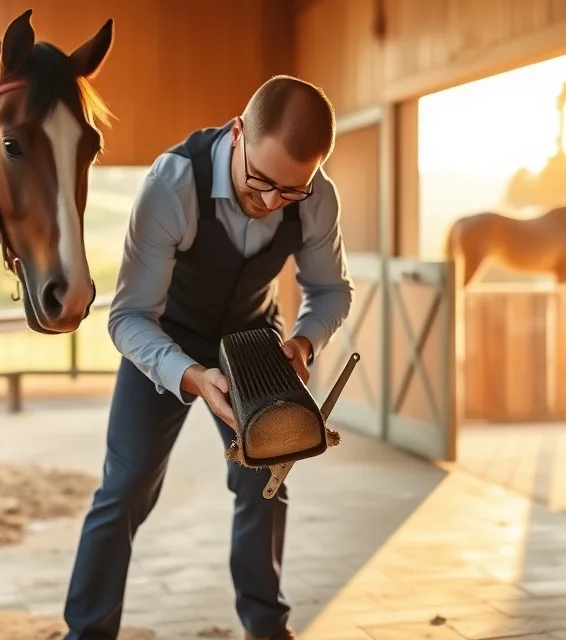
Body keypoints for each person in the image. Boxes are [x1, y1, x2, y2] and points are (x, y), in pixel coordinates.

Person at [62, 74, 354, 640]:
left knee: (267, 480)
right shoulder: (171, 185)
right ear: (239, 132)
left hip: (253, 338)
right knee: (124, 489)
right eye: (261, 180)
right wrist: (191, 375)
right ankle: (87, 634)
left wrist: (303, 341)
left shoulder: (317, 197)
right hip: (164, 337)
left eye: (291, 191)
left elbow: (331, 291)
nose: (271, 202)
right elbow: (127, 317)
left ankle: (267, 627)